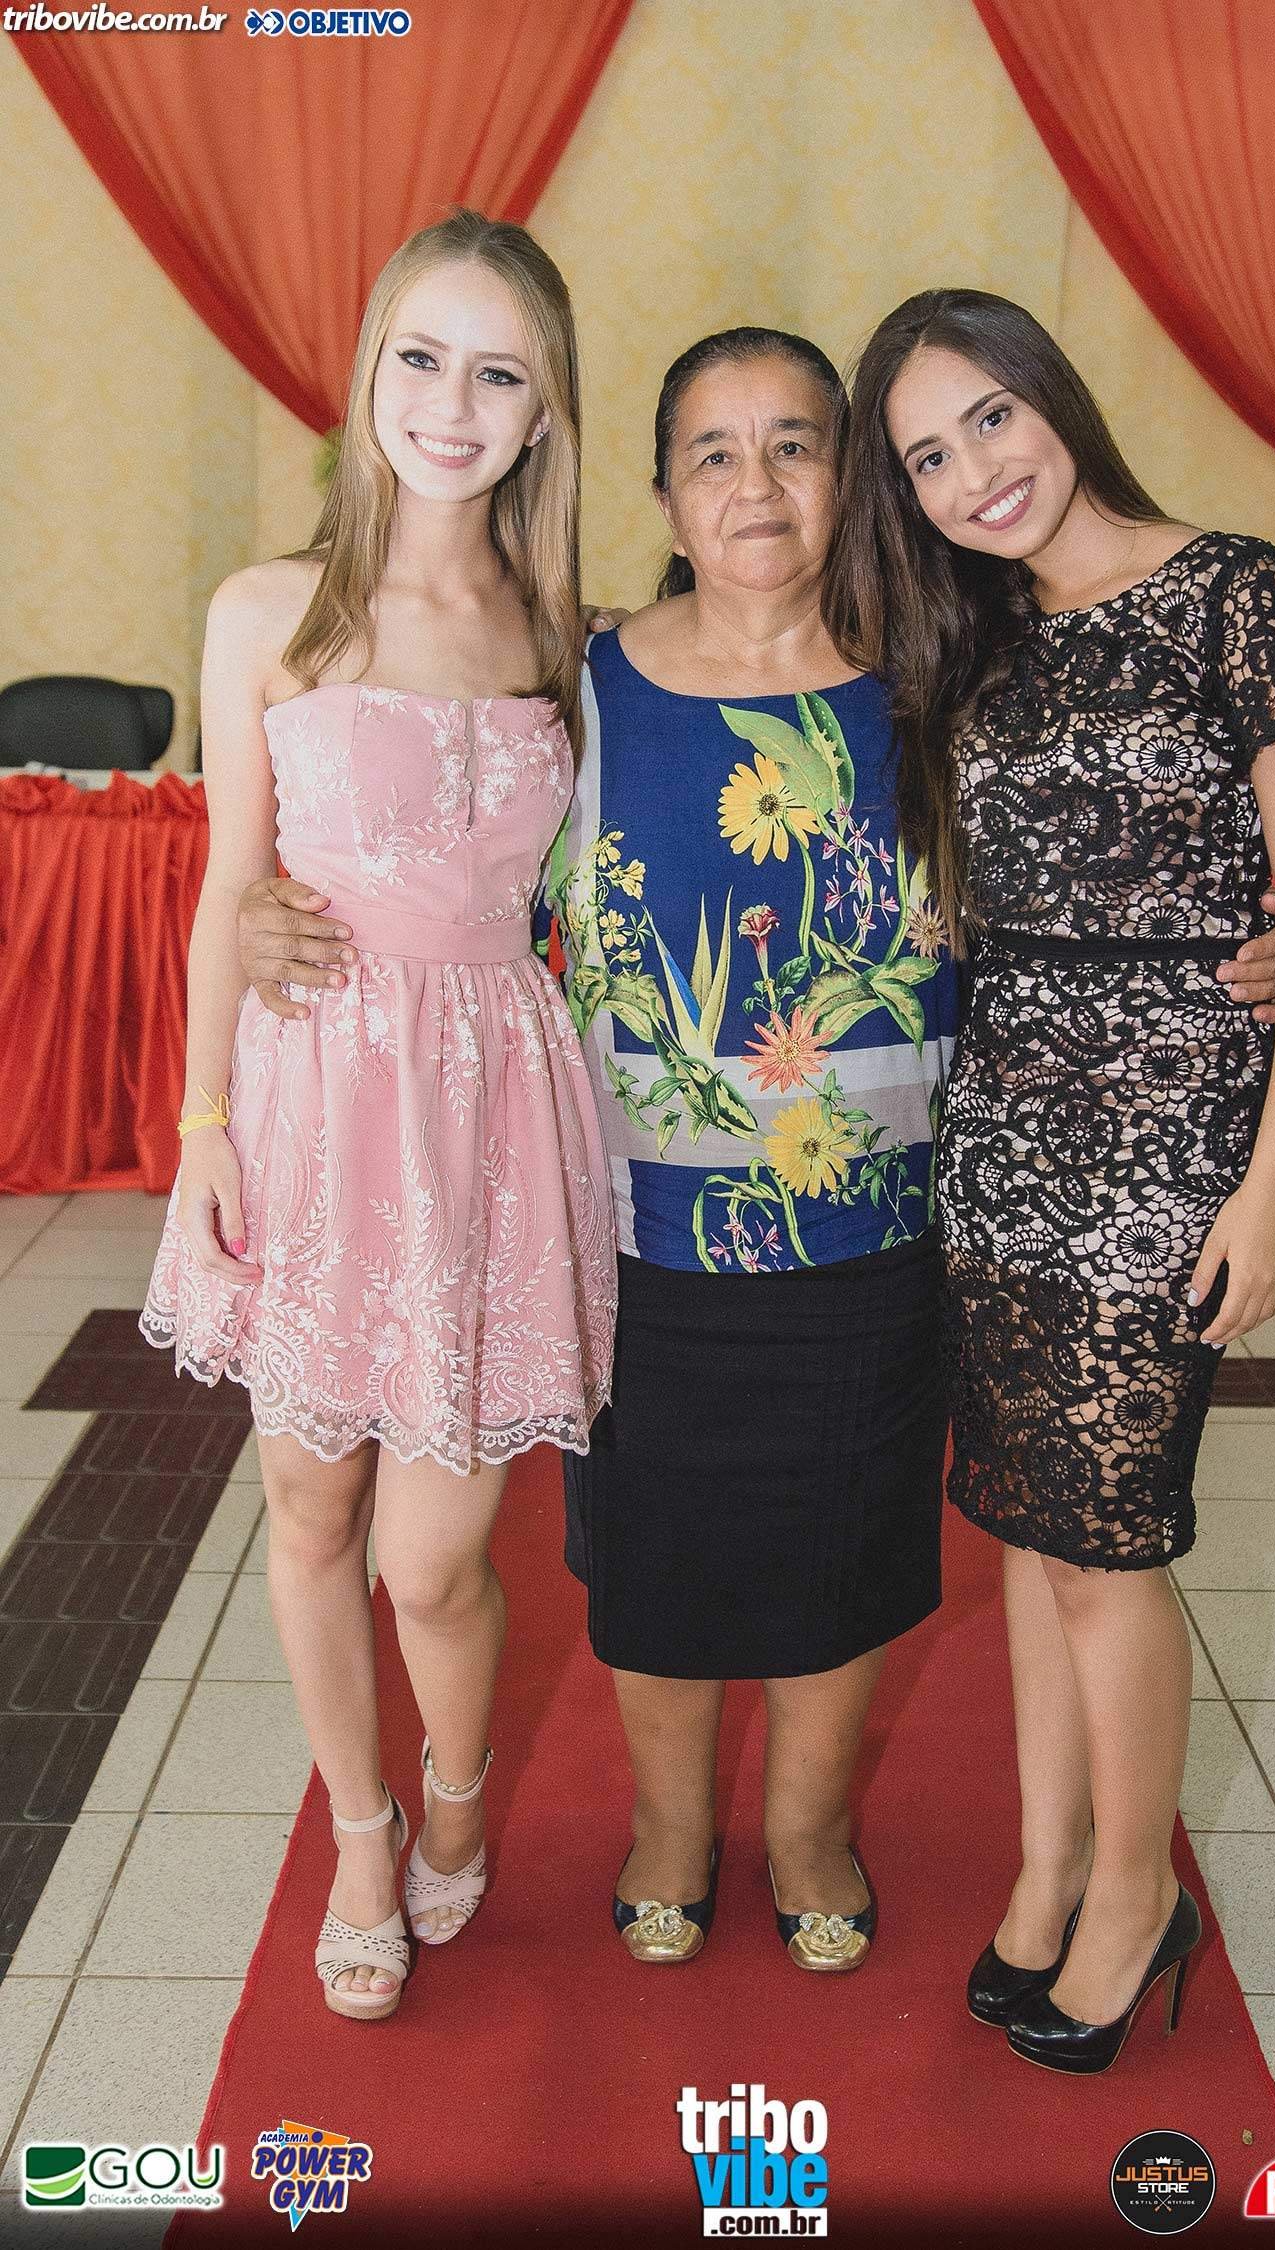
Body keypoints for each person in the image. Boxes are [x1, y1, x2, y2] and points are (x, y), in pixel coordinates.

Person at [235, 327, 1275, 1976]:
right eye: (713, 453)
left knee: (844, 1551)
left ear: (849, 477)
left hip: (880, 1222)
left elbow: (1098, 834)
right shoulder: (574, 678)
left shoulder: (937, 674)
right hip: (632, 1219)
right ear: (662, 491)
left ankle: (807, 1826)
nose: (756, 485)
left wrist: (1252, 925)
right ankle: (671, 1825)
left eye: (796, 445)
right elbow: (425, 826)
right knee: (652, 1552)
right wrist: (264, 904)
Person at [827, 288, 1275, 2070]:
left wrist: (1270, 1188)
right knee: (1032, 1529)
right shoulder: (970, 636)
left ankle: (1138, 1896)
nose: (974, 472)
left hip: (1170, 1137)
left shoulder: (1236, 597)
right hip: (1002, 1131)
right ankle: (1050, 1865)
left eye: (990, 417)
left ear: (1052, 395)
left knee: (1107, 1545)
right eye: (927, 456)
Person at [139, 211, 615, 2023]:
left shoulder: (566, 635)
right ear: (369, 372)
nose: (452, 403)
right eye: (422, 356)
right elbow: (226, 886)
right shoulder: (268, 613)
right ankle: (360, 1829)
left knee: (433, 1556)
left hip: (488, 1105)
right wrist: (201, 1121)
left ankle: (459, 1787)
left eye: (498, 373)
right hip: (312, 1093)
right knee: (307, 1497)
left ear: (545, 410)